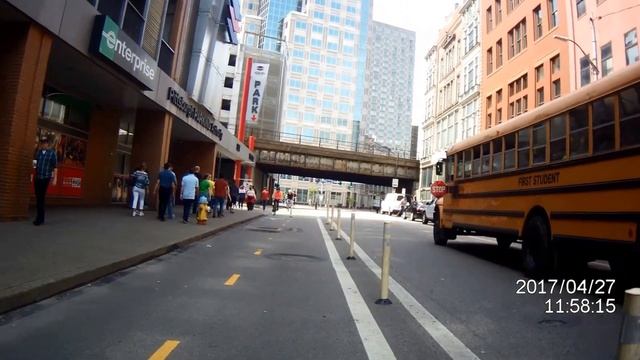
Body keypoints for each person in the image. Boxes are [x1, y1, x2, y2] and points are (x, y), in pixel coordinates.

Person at [33, 138, 57, 226]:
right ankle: (40, 217)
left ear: (48, 144)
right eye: (42, 143)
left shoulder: (52, 153)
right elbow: (34, 162)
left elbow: (55, 167)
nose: (43, 145)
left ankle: (39, 218)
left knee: (41, 197)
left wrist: (54, 178)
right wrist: (34, 171)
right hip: (38, 177)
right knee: (38, 197)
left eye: (45, 143)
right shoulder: (38, 153)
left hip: (46, 177)